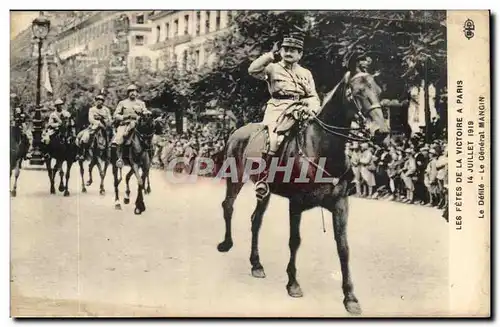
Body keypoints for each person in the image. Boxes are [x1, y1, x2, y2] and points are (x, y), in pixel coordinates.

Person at [247, 27, 320, 199]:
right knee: (274, 138)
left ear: (300, 54)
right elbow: (252, 70)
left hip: (301, 108)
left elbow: (313, 96)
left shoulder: (305, 73)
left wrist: (312, 109)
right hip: (278, 108)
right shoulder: (272, 68)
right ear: (280, 51)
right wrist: (270, 55)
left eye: (293, 50)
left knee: (316, 137)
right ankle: (263, 178)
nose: (289, 53)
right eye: (286, 49)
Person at [111, 84, 151, 168]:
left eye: (135, 91)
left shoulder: (141, 103)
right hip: (125, 124)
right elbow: (115, 115)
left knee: (148, 137)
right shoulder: (122, 103)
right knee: (119, 138)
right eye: (131, 91)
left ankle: (149, 157)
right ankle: (119, 158)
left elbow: (146, 112)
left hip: (137, 125)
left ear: (137, 93)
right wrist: (124, 117)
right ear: (128, 93)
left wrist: (146, 113)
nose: (133, 93)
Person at [77, 94, 112, 160]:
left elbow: (110, 119)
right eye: (98, 100)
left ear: (103, 102)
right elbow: (90, 119)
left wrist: (103, 119)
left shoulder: (106, 110)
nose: (99, 101)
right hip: (94, 126)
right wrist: (98, 123)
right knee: (85, 136)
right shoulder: (92, 109)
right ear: (96, 101)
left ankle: (111, 153)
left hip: (105, 126)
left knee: (114, 137)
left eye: (101, 100)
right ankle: (83, 153)